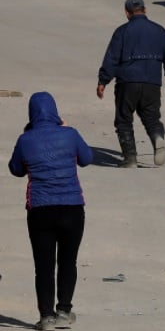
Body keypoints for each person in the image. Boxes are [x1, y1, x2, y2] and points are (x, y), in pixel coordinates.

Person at [9, 92, 93, 331]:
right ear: (55, 111)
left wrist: (29, 138)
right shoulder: (70, 134)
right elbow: (87, 159)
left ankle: (46, 317)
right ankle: (64, 312)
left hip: (40, 209)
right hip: (72, 208)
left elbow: (16, 170)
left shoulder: (26, 139)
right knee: (68, 261)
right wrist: (67, 130)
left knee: (43, 265)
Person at [97, 0, 165, 168]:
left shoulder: (122, 32)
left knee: (123, 120)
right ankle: (157, 137)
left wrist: (103, 81)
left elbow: (112, 58)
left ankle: (130, 159)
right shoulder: (160, 31)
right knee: (151, 118)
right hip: (152, 82)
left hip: (127, 82)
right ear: (145, 10)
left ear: (127, 13)